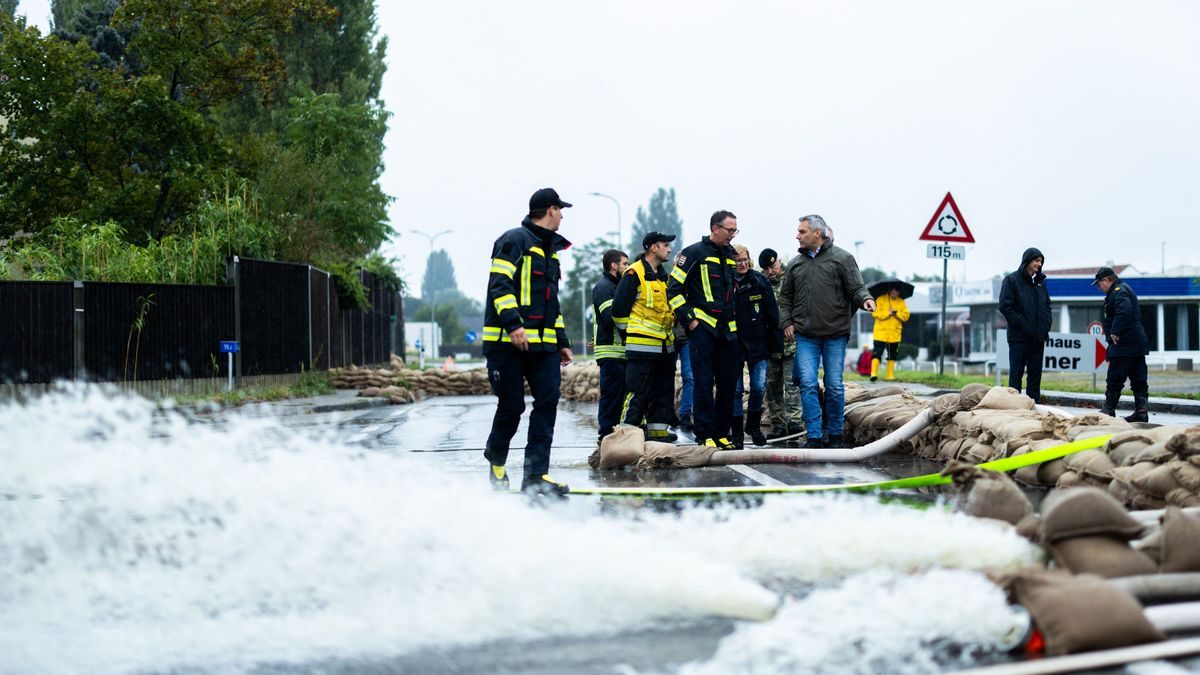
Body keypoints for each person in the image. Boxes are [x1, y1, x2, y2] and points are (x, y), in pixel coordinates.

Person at [482, 187, 574, 497]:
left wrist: (561, 340)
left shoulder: (550, 251)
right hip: (507, 344)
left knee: (547, 404)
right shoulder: (514, 240)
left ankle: (536, 475)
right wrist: (513, 325)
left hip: (543, 348)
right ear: (550, 210)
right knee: (512, 406)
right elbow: (500, 284)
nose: (562, 216)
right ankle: (496, 460)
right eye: (560, 210)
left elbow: (552, 302)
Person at [778, 215, 874, 449]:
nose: (797, 235)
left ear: (817, 234)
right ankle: (813, 435)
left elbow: (856, 288)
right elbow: (785, 298)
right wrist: (786, 322)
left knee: (834, 385)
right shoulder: (795, 265)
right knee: (808, 384)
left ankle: (835, 434)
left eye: (802, 231)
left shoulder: (842, 259)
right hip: (806, 336)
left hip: (835, 334)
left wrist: (867, 299)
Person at [667, 210, 741, 449]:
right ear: (715, 228)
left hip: (728, 332)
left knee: (728, 384)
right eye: (730, 230)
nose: (733, 235)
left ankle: (721, 433)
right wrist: (690, 320)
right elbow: (674, 288)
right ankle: (704, 434)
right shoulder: (693, 253)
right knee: (703, 383)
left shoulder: (731, 255)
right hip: (703, 329)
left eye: (735, 231)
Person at [612, 232, 678, 441]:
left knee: (663, 394)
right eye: (665, 245)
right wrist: (632, 334)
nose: (669, 249)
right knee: (637, 394)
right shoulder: (634, 273)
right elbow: (619, 311)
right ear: (653, 247)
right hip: (641, 348)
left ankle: (658, 436)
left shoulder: (663, 276)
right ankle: (626, 438)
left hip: (665, 348)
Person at [731, 244, 781, 447]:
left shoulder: (759, 281)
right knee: (735, 391)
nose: (742, 264)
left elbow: (772, 315)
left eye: (744, 260)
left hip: (758, 344)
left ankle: (752, 425)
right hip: (734, 344)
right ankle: (736, 432)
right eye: (738, 261)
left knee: (759, 388)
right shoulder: (727, 283)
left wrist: (776, 345)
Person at [1093, 266, 1151, 422]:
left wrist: (1115, 332)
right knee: (1139, 379)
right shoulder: (1122, 289)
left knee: (1114, 379)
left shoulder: (1118, 291)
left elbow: (1125, 310)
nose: (1099, 288)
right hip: (1136, 344)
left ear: (1107, 280)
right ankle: (1141, 411)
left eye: (1099, 284)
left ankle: (1108, 410)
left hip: (1124, 345)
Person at [760, 248, 804, 439]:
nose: (771, 271)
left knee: (792, 385)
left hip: (791, 342)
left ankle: (794, 424)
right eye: (767, 269)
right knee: (772, 387)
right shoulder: (762, 284)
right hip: (770, 344)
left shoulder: (792, 279)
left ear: (779, 262)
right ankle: (778, 424)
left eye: (773, 266)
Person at [998, 247, 1052, 403]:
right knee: (1016, 375)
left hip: (1038, 337)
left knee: (1035, 375)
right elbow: (1005, 306)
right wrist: (1022, 324)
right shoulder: (1011, 280)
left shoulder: (1041, 282)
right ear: (1027, 261)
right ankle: (1014, 407)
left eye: (1041, 261)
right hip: (1019, 337)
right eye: (1036, 260)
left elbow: (1047, 305)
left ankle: (1033, 407)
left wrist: (1046, 324)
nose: (1039, 264)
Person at [592, 249, 629, 440]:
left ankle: (615, 434)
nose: (628, 267)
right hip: (611, 352)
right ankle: (606, 435)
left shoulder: (615, 286)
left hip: (619, 352)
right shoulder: (605, 287)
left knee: (618, 397)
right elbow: (609, 318)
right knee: (612, 397)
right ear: (613, 265)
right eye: (624, 264)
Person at [870, 286, 910, 381]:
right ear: (889, 290)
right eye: (894, 289)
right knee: (877, 353)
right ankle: (873, 373)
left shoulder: (901, 302)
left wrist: (896, 313)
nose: (896, 292)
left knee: (892, 354)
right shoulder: (880, 299)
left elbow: (906, 316)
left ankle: (889, 375)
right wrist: (888, 313)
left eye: (897, 290)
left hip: (894, 334)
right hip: (880, 333)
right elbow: (875, 313)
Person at [673, 320, 694, 433]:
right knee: (666, 377)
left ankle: (685, 415)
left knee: (689, 377)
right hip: (668, 336)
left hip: (689, 338)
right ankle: (667, 413)